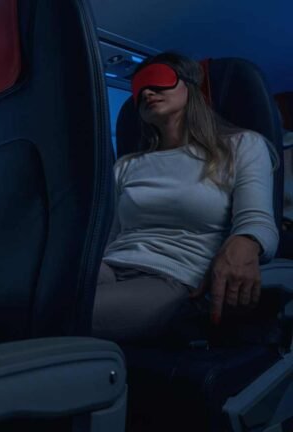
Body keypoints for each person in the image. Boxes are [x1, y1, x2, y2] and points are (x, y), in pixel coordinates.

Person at [93, 52, 279, 344]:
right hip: (112, 265)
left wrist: (246, 243)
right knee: (30, 300)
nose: (147, 92)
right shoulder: (126, 165)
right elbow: (111, 234)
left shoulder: (241, 145)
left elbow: (257, 221)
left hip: (173, 275)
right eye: (140, 89)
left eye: (158, 81)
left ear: (190, 86)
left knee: (63, 314)